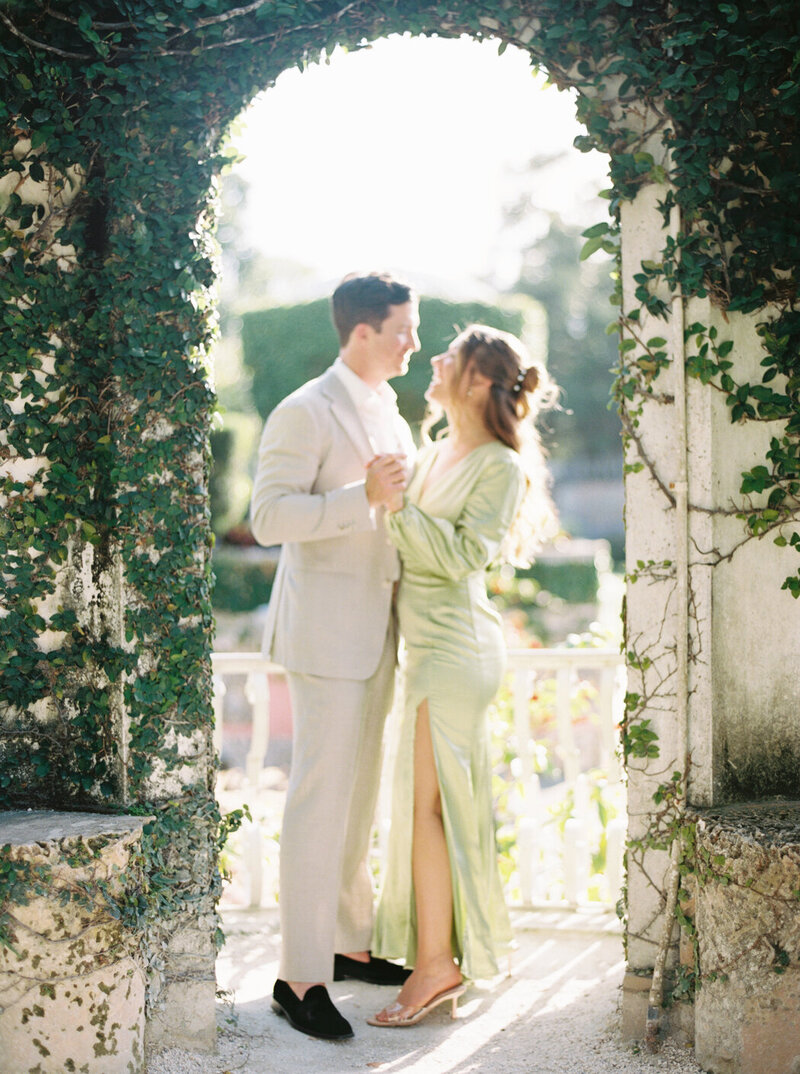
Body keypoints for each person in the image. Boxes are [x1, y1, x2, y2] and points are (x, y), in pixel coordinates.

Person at [368, 324, 556, 1027]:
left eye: (451, 355)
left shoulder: (499, 467)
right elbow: (401, 536)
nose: (436, 361)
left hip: (457, 652)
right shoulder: (433, 451)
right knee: (426, 810)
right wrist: (390, 498)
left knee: (430, 810)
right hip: (424, 652)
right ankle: (437, 958)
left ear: (479, 380)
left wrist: (394, 505)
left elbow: (455, 558)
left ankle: (437, 967)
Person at [249, 272, 420, 1041]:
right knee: (320, 803)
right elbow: (268, 518)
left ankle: (348, 945)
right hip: (323, 635)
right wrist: (362, 498)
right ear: (362, 333)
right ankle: (299, 976)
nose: (414, 342)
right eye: (402, 329)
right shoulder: (302, 409)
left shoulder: (386, 407)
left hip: (378, 628)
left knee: (358, 800)